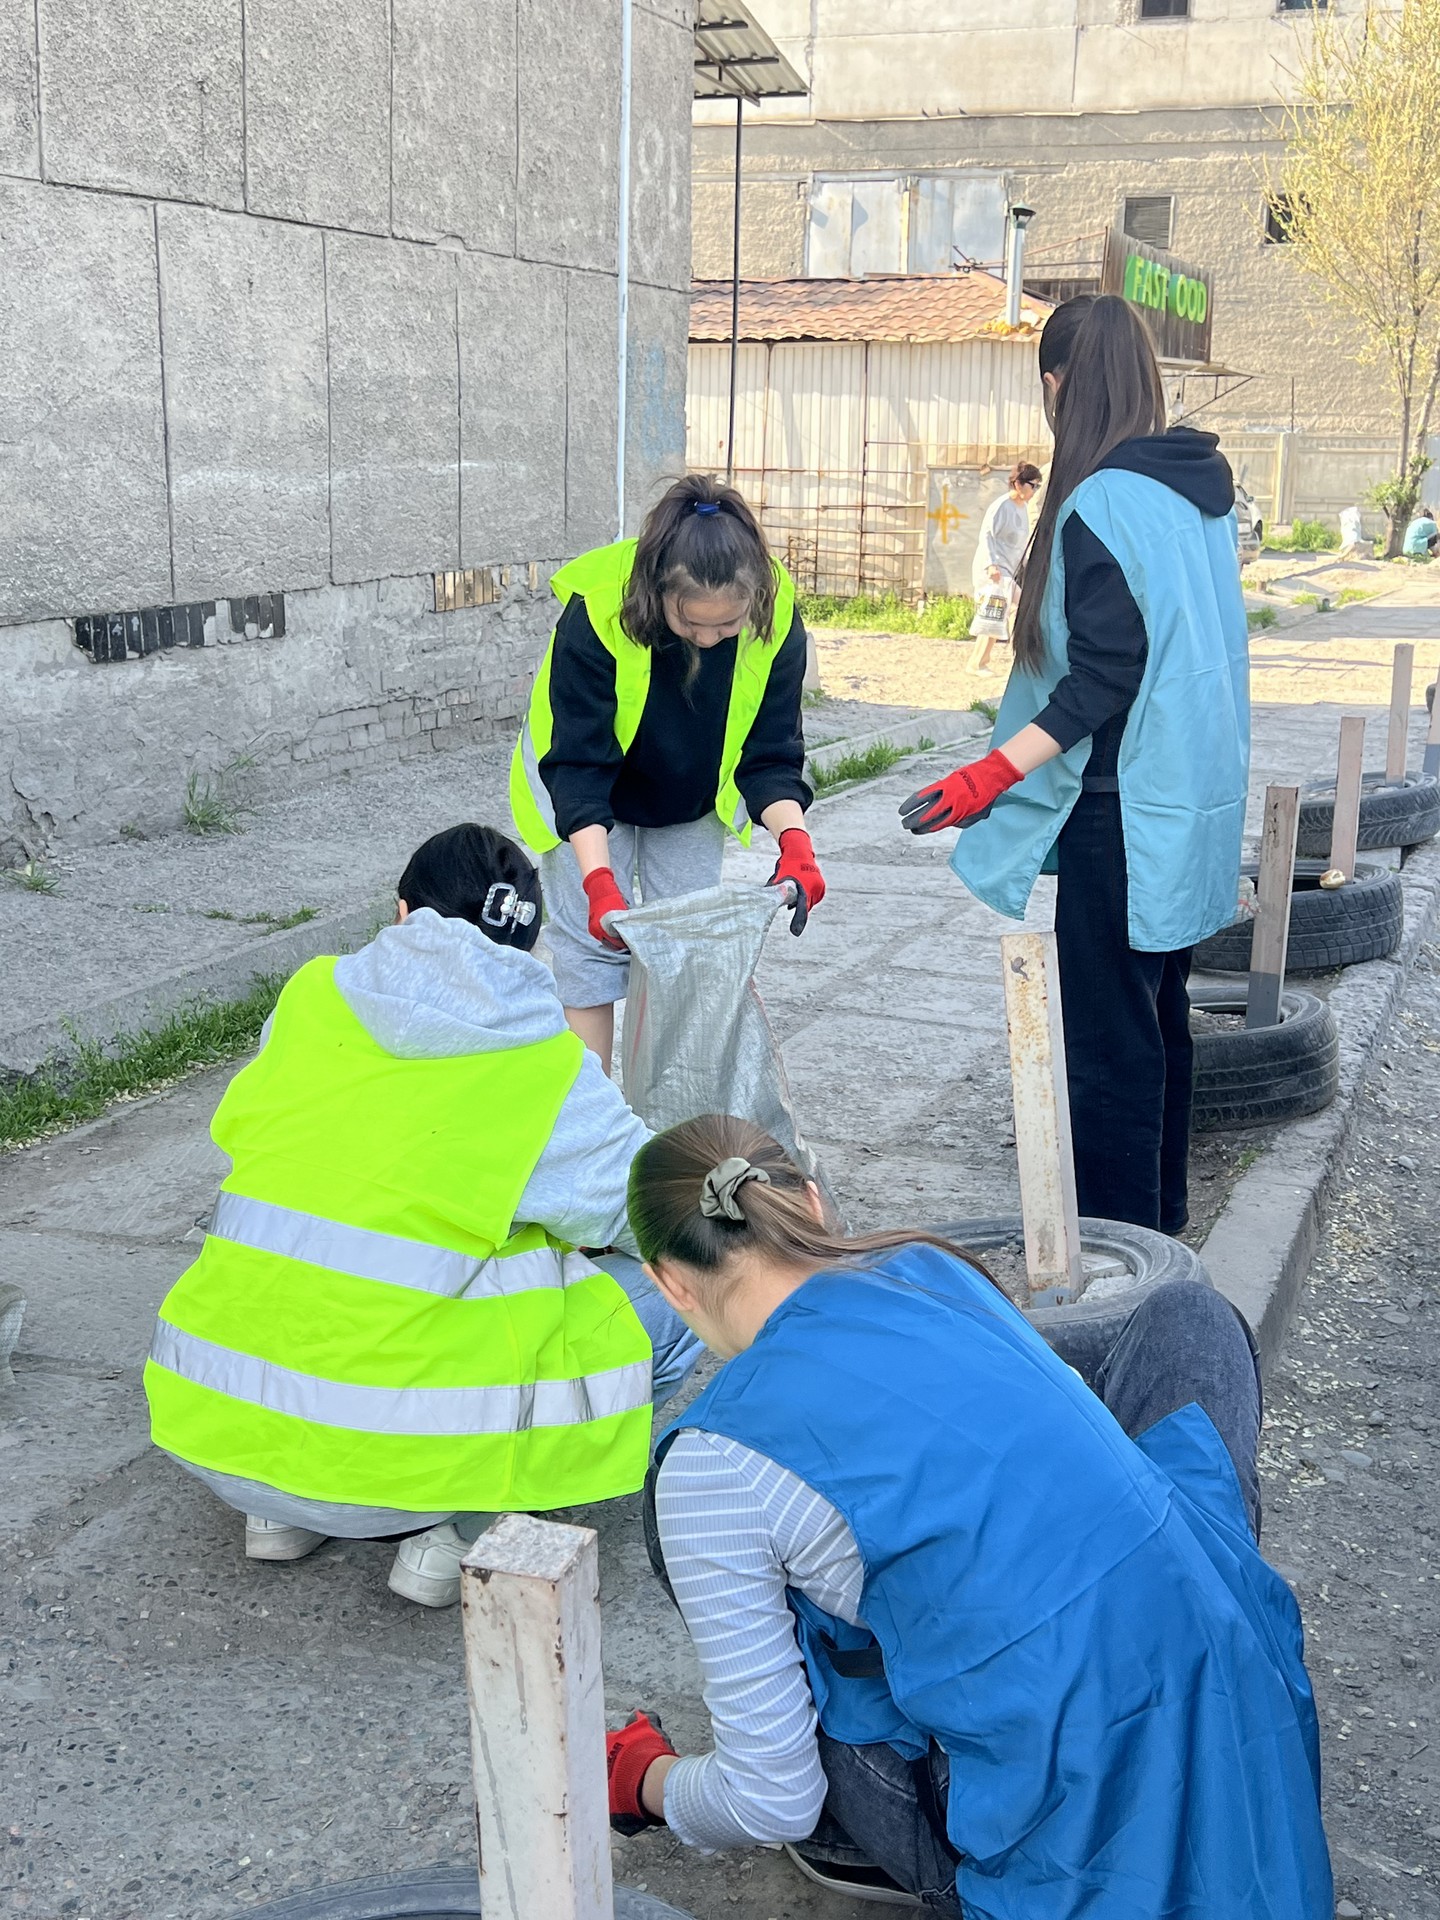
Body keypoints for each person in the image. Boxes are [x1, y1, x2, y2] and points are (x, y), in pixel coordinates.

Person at [605, 1116, 1333, 1918]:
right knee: (1189, 1315)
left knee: (737, 1568)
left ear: (669, 1283)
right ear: (810, 1201)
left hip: (1061, 1841)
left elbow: (770, 1796)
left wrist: (645, 1781)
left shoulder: (716, 1457)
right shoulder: (929, 1267)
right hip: (1245, 1705)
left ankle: (900, 1852)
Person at [144, 825, 701, 1609]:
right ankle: (463, 1529)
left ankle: (280, 1514)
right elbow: (653, 1213)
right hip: (398, 1467)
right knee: (680, 1286)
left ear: (402, 912)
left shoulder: (308, 999)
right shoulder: (542, 1064)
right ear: (528, 948)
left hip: (216, 1424)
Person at [899, 293, 1249, 1235]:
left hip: (1123, 809)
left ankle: (1120, 1261)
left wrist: (988, 775)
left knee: (1105, 1050)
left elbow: (1103, 677)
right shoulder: (1194, 493)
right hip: (1186, 801)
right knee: (1158, 1024)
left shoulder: (1100, 503)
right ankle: (1162, 1232)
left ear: (1057, 386)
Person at [509, 473, 824, 1068]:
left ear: (753, 600)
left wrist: (797, 844)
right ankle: (595, 1111)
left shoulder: (776, 612)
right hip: (583, 793)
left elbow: (771, 753)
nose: (708, 639)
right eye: (690, 624)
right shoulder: (599, 607)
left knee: (681, 955)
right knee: (589, 957)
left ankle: (664, 1110)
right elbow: (578, 764)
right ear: (657, 595)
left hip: (687, 797)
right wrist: (599, 883)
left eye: (726, 627)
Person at [971, 461, 1042, 602]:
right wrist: (991, 565)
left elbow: (1021, 544)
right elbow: (987, 535)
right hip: (994, 573)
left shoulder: (1024, 509)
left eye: (1037, 487)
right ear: (1018, 484)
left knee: (1009, 611)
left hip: (1009, 572)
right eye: (1032, 486)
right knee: (1020, 604)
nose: (1034, 491)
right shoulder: (1002, 506)